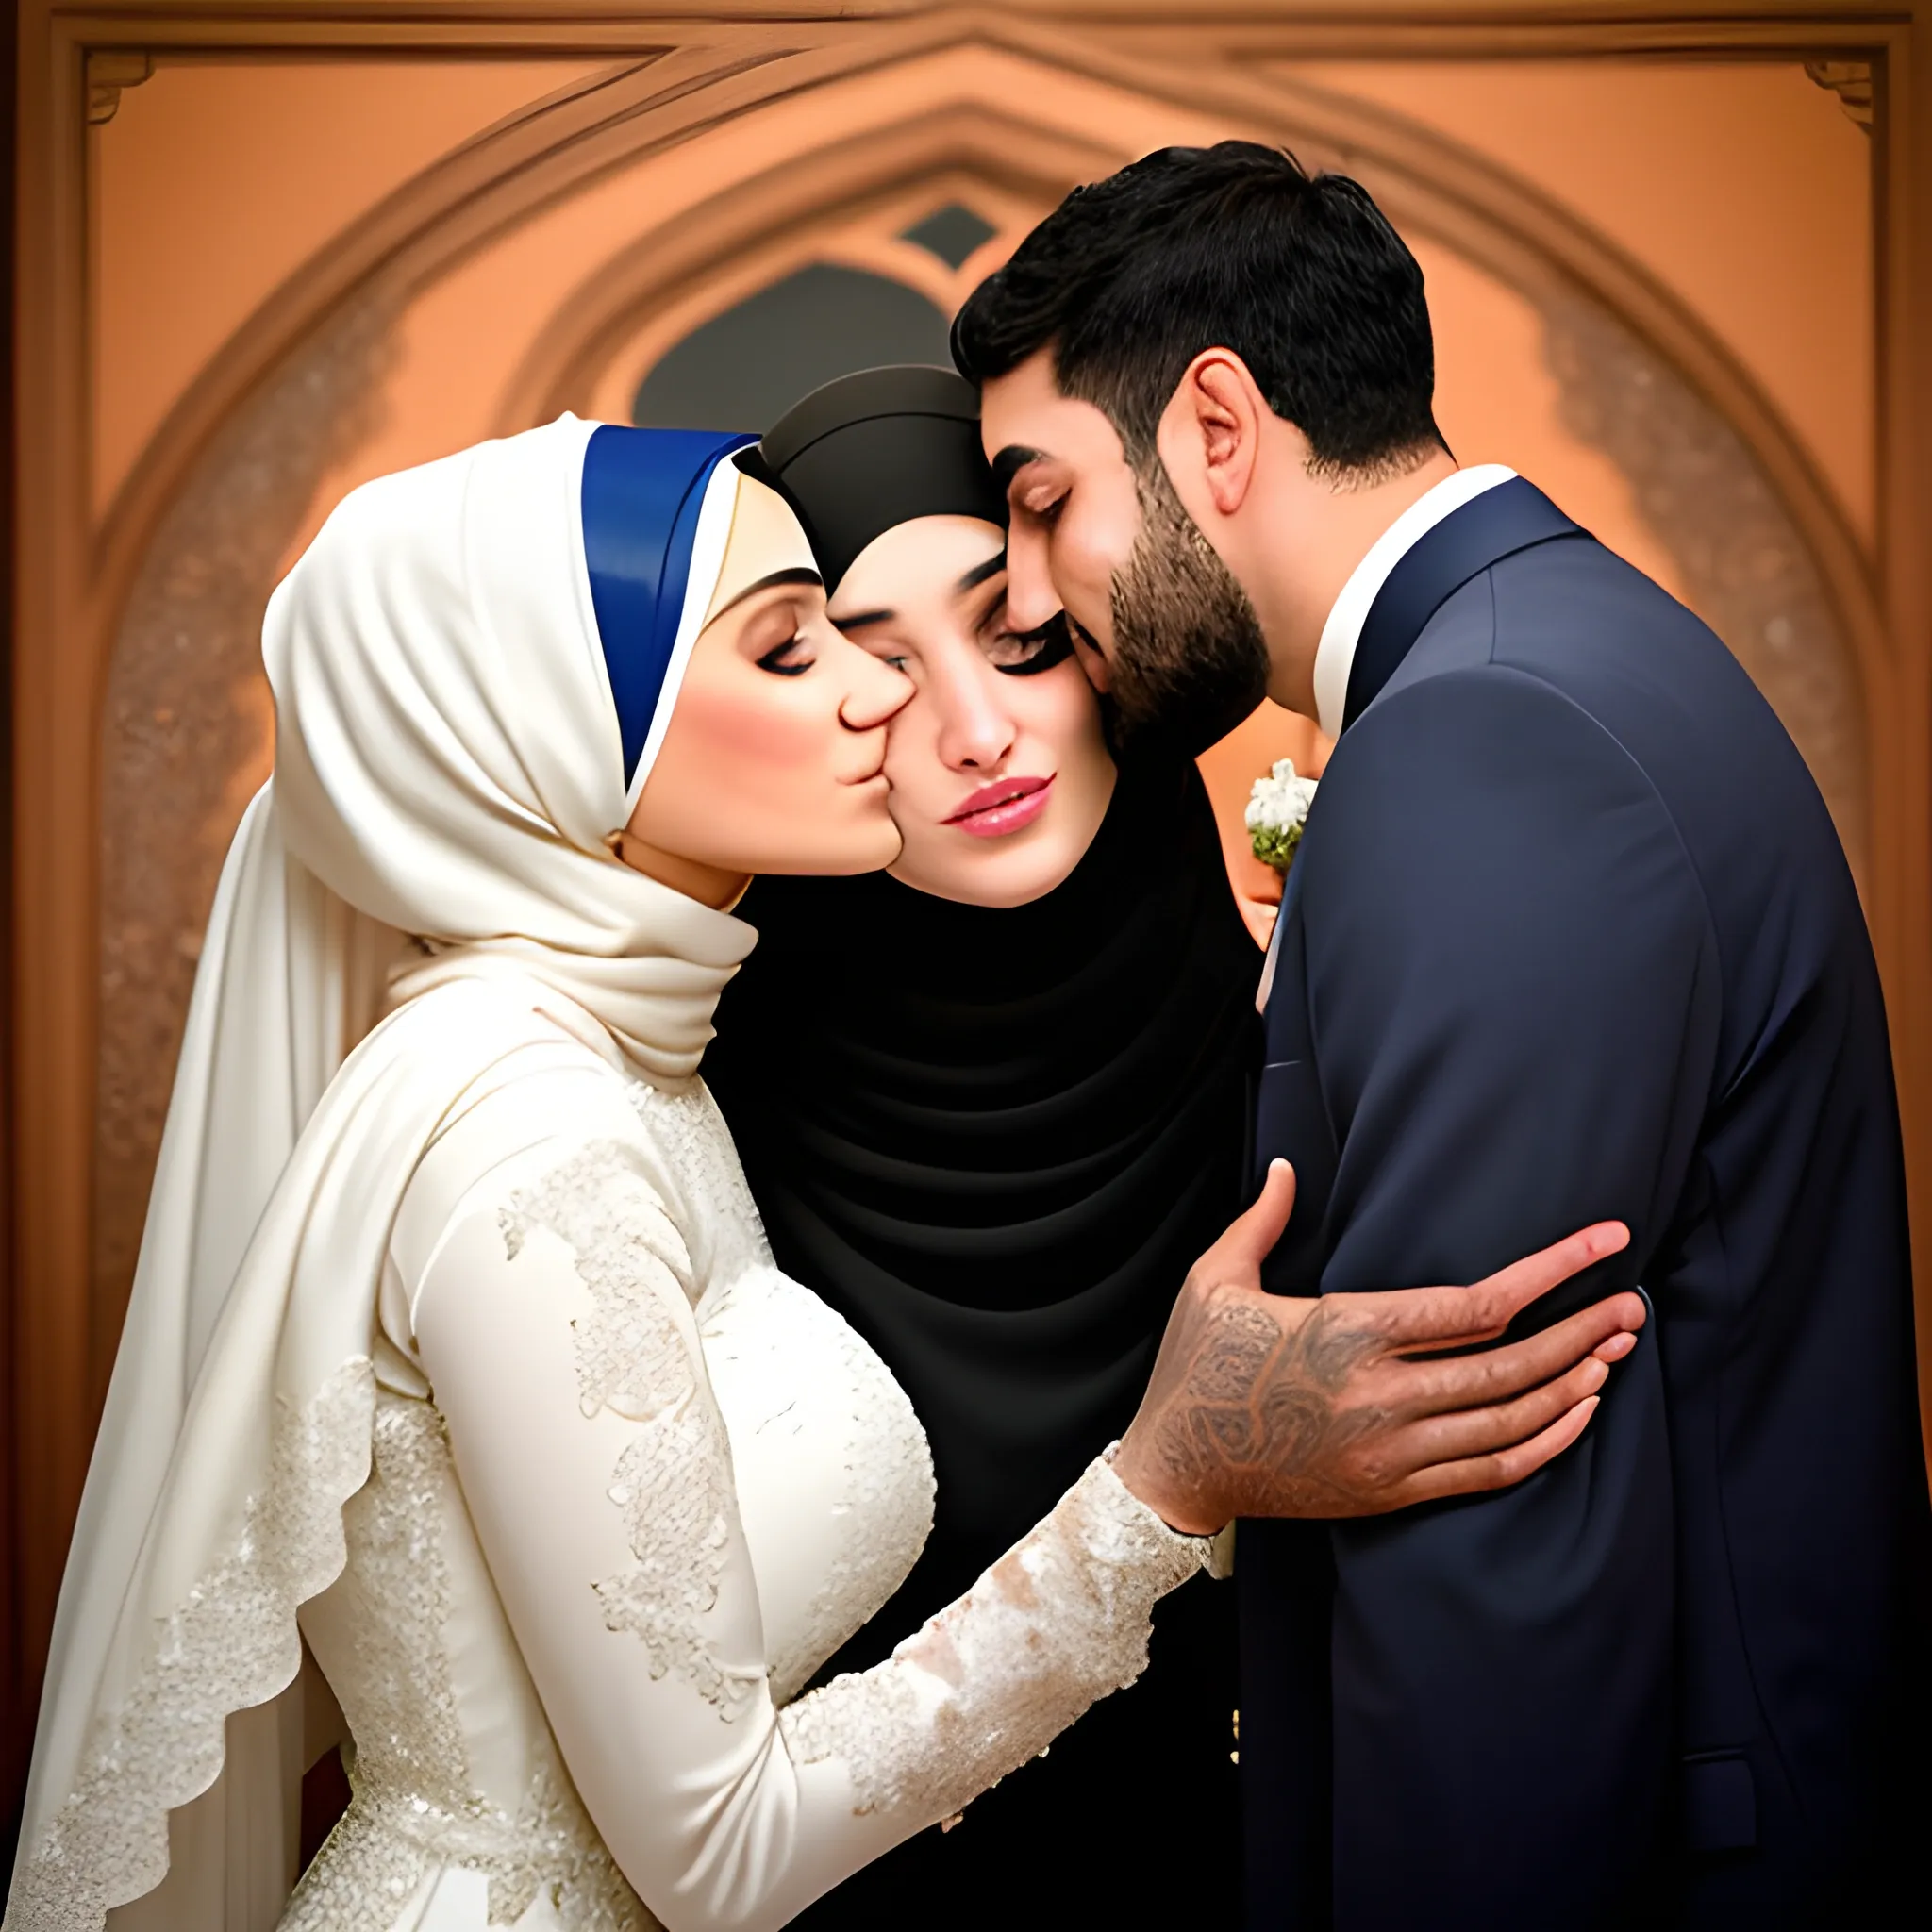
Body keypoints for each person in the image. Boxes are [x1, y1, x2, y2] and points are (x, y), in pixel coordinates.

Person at [7, 414, 1641, 1932]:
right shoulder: (544, 1121)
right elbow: (712, 1839)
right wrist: (1172, 1480)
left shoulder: (641, 1058)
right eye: (809, 652)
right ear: (560, 727)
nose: (920, 715)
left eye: (1023, 638)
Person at [954, 140, 1932, 1928]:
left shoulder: (1485, 735)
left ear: (1218, 426)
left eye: (1041, 499)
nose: (1030, 590)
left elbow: (1484, 1492)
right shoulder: (1550, 651)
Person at [706, 365, 1256, 1924]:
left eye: (1019, 642)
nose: (971, 728)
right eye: (874, 677)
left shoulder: (1317, 1049)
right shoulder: (688, 1120)